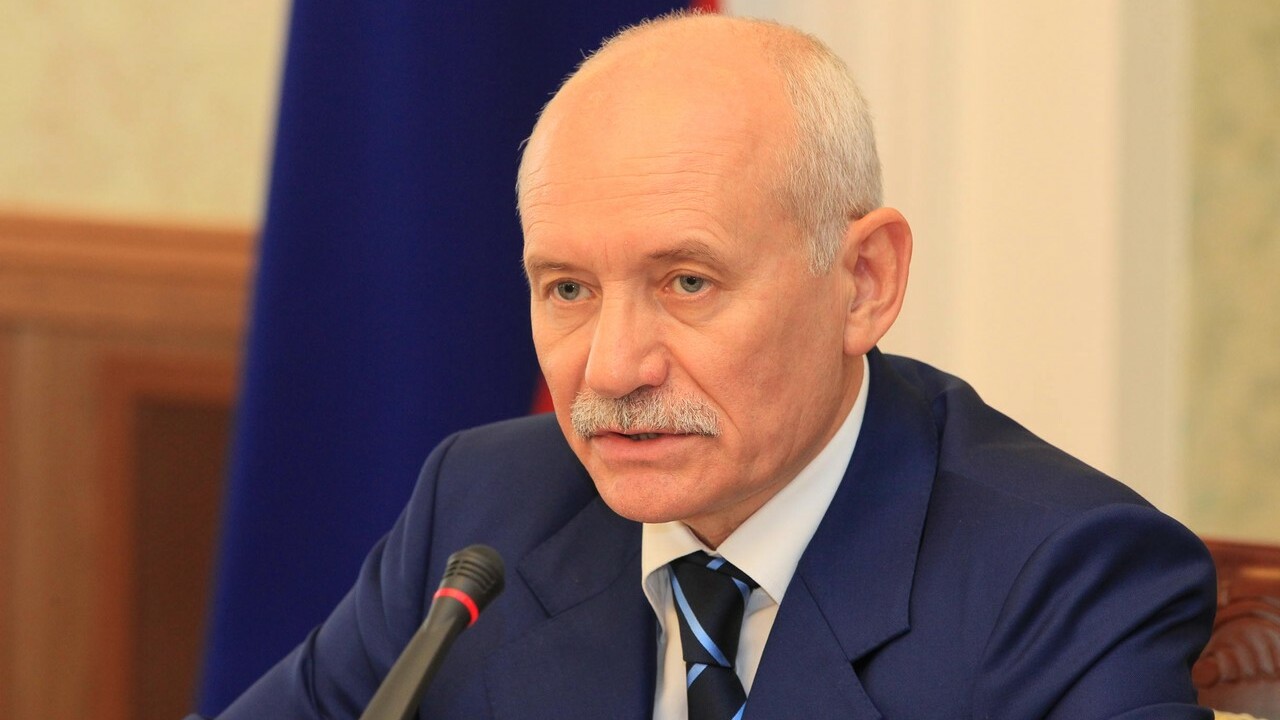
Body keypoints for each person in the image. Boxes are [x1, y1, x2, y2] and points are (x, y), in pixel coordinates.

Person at [197, 12, 1216, 720]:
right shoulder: (484, 511)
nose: (612, 369)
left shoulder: (1059, 579)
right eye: (567, 289)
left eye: (686, 282)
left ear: (862, 281)